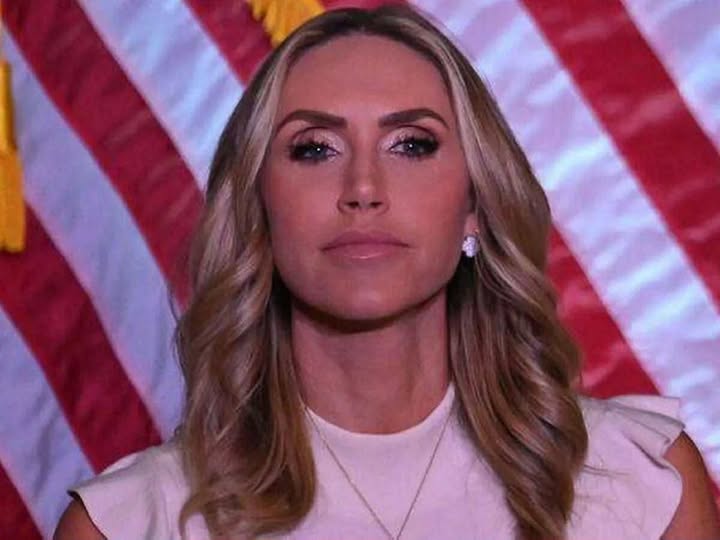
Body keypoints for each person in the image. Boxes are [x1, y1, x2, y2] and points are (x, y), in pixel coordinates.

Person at [55, 4, 720, 539]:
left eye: (412, 144)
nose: (364, 188)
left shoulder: (642, 487)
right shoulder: (130, 524)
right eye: (315, 149)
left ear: (475, 205)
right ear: (258, 210)